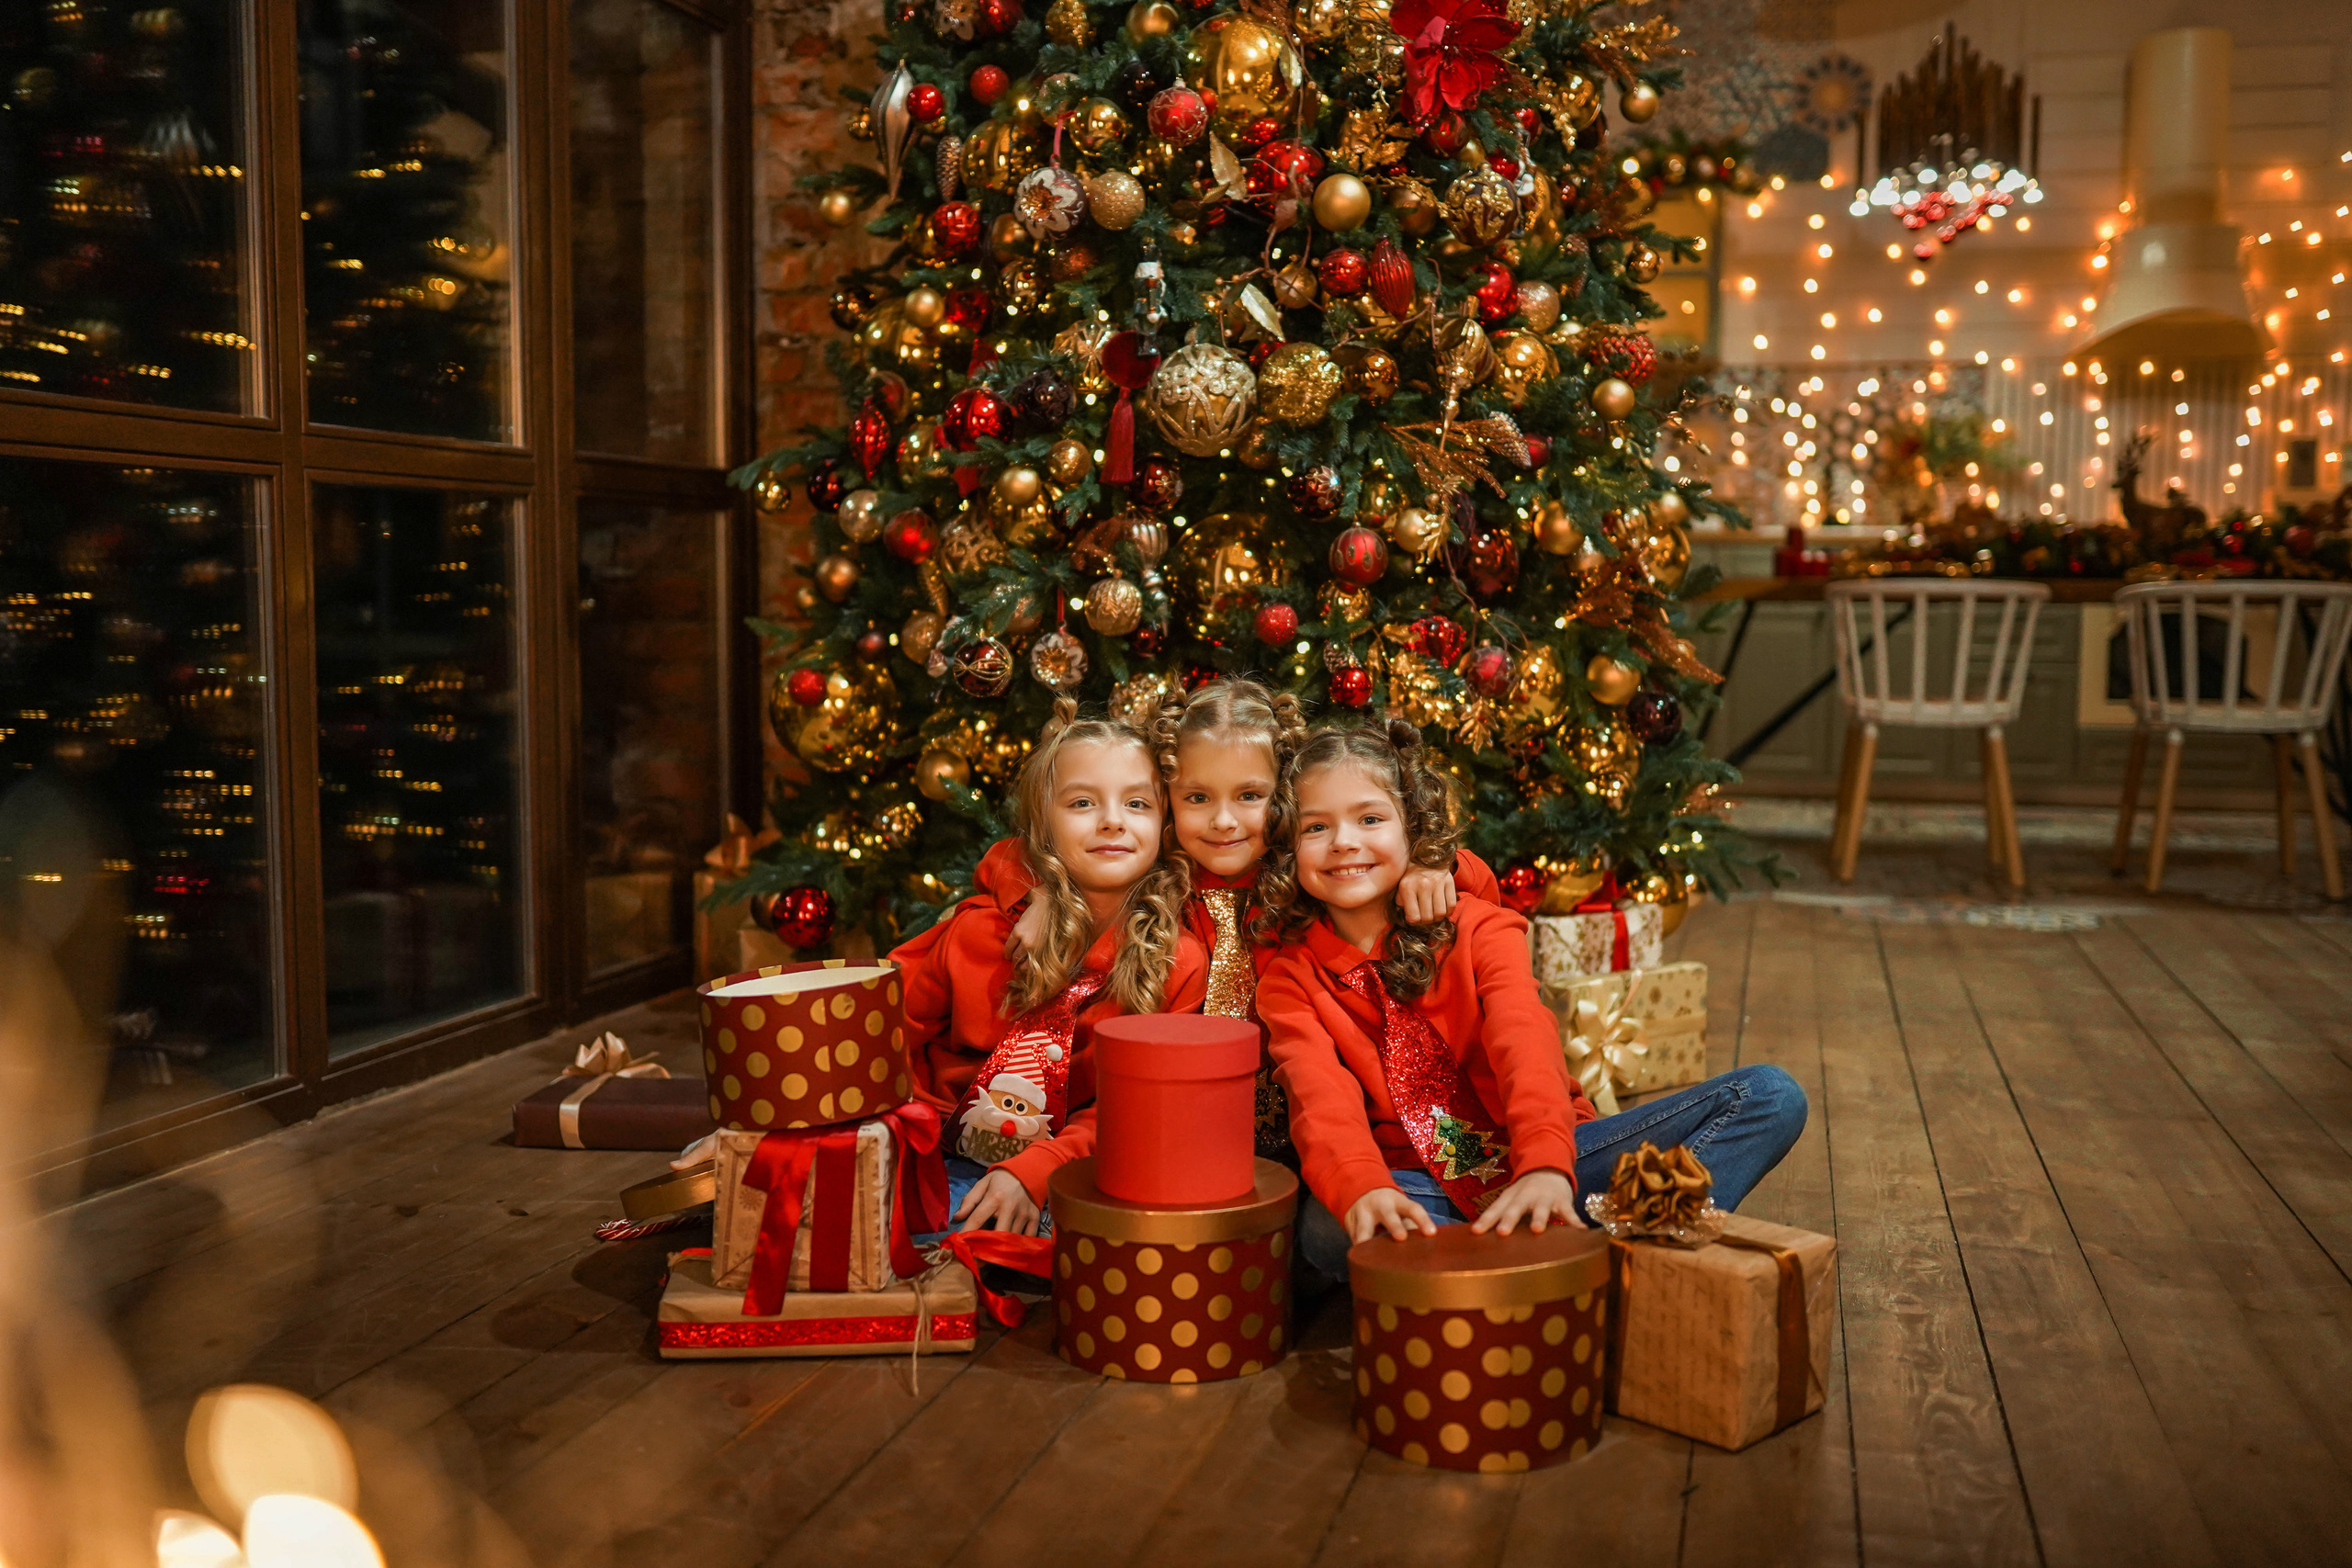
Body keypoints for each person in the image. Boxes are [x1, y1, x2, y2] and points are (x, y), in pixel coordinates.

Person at [1253, 716, 1807, 1285]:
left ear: (1413, 830)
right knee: (1325, 1225)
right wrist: (1365, 1190)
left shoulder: (1480, 927)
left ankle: (1583, 1253)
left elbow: (1526, 1043)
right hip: (1420, 1186)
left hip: (1556, 1157)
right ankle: (1560, 1265)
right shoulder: (1289, 977)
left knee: (1769, 1096)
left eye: (1370, 819)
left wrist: (1545, 1167)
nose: (1344, 841)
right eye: (1315, 828)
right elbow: (1320, 1101)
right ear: (1287, 845)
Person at [973, 675, 1499, 1157]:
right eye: (1198, 797)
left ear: (1287, 797)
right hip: (1188, 1128)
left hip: (1317, 1127)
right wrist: (1039, 893)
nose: (1224, 821)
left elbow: (1480, 894)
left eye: (1250, 796)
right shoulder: (1153, 871)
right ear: (1167, 801)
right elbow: (1012, 856)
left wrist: (1436, 865)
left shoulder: (1315, 871)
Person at [889, 699, 1205, 1235]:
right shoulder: (979, 932)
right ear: (1043, 823)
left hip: (1068, 1167)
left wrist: (1037, 1172)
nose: (1112, 821)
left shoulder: (1178, 963)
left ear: (1164, 822)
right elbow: (887, 1031)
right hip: (933, 1151)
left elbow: (1134, 1108)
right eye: (1082, 803)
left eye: (1137, 804)